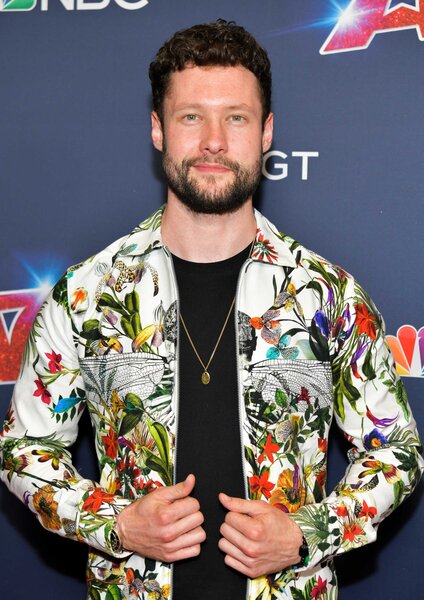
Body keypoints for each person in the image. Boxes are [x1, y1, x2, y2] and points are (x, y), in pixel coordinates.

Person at [1, 19, 422, 600]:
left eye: (237, 117)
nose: (214, 141)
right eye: (191, 116)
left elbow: (396, 450)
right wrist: (116, 524)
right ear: (158, 130)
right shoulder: (88, 293)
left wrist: (308, 531)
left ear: (267, 131)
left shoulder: (327, 295)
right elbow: (25, 449)